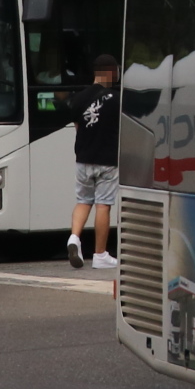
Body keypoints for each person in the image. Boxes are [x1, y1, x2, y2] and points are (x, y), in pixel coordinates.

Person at [68, 54, 120, 270]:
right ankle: (100, 255)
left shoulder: (79, 98)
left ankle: (74, 238)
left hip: (83, 159)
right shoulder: (117, 99)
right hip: (107, 160)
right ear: (111, 72)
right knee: (103, 205)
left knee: (83, 200)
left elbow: (78, 128)